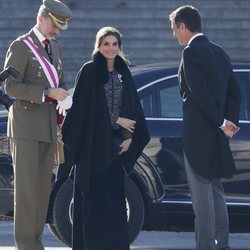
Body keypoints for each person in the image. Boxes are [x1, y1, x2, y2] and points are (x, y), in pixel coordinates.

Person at [62, 26, 150, 250]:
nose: (110, 48)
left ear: (120, 47)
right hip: (92, 150)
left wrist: (129, 136)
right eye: (106, 44)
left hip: (115, 149)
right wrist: (117, 120)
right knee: (93, 206)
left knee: (114, 206)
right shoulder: (89, 71)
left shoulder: (124, 72)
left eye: (114, 44)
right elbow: (85, 110)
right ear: (98, 46)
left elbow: (132, 108)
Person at [169, 5, 241, 250]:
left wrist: (221, 122)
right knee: (217, 192)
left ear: (182, 26)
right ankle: (223, 245)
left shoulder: (191, 52)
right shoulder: (220, 52)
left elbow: (199, 94)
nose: (174, 35)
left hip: (199, 135)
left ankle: (206, 246)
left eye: (174, 29)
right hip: (218, 135)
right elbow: (235, 91)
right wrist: (229, 122)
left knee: (201, 197)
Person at [3, 0, 73, 249]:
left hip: (48, 128)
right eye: (55, 25)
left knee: (42, 192)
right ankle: (25, 244)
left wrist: (64, 94)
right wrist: (46, 93)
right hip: (25, 128)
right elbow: (10, 86)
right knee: (26, 193)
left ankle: (35, 243)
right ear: (42, 18)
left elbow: (60, 81)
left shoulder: (55, 46)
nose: (57, 31)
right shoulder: (20, 46)